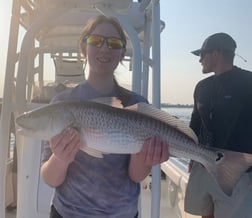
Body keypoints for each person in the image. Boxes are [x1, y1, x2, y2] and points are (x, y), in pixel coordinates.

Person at [40, 15, 169, 218]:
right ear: (84, 48)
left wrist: (145, 156)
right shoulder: (61, 105)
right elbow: (50, 178)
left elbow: (136, 176)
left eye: (114, 43)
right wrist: (60, 158)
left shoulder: (136, 105)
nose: (105, 48)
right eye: (96, 40)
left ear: (122, 53)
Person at [184, 32, 252, 218]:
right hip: (203, 165)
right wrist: (192, 157)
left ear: (216, 54)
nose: (200, 60)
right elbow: (195, 122)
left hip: (238, 172)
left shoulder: (248, 82)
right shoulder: (201, 86)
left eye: (202, 55)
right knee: (205, 213)